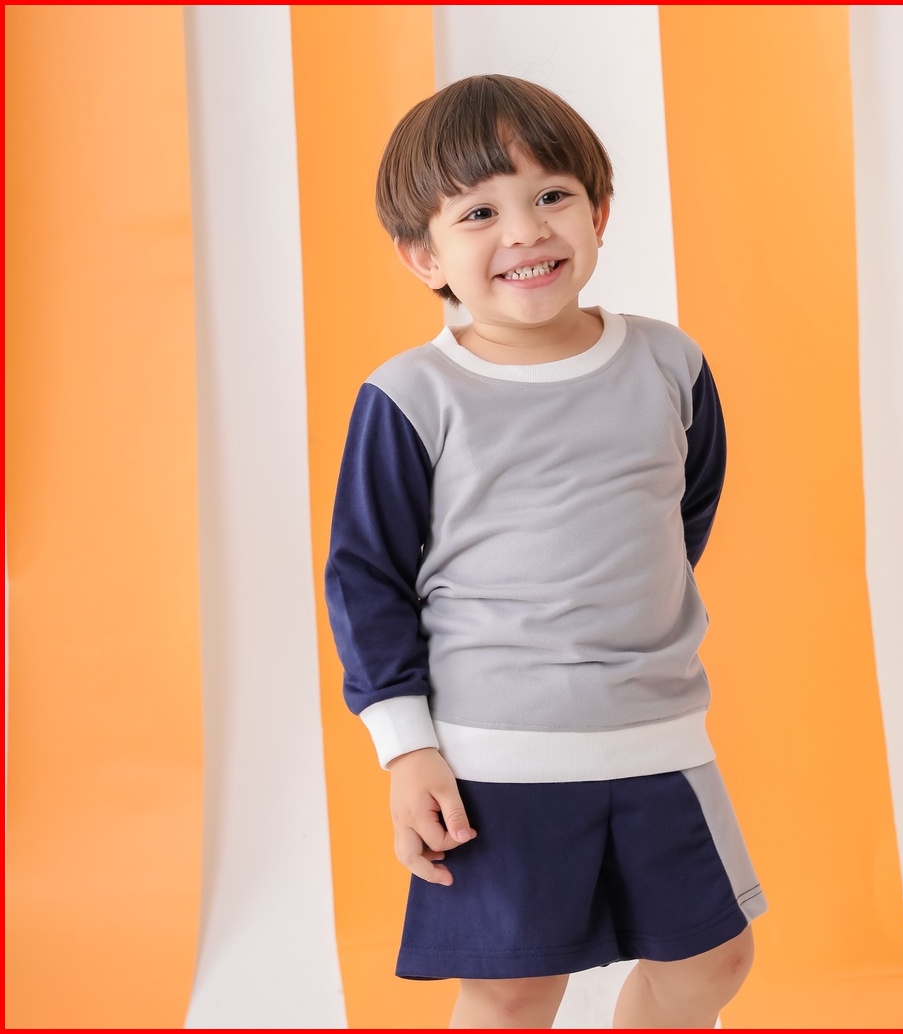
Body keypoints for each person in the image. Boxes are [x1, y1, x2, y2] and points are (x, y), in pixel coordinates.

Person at [325, 73, 766, 1029]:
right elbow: (367, 577)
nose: (525, 231)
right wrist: (408, 751)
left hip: (658, 736)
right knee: (515, 986)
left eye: (552, 195)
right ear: (423, 254)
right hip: (497, 756)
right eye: (479, 212)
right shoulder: (413, 395)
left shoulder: (671, 363)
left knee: (713, 957)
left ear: (599, 212)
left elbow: (679, 514)